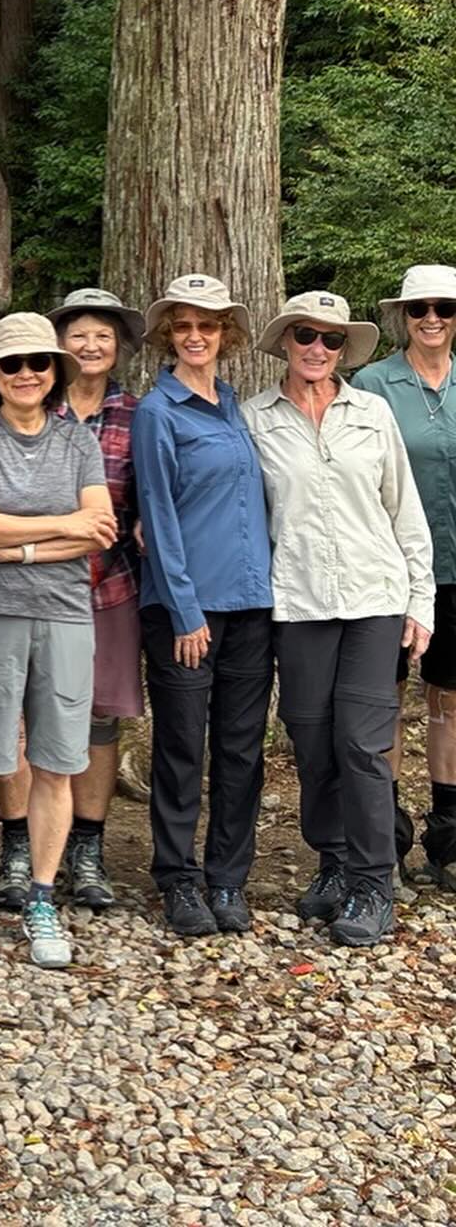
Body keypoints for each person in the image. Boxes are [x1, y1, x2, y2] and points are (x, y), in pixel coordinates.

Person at [244, 291, 433, 946]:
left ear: (343, 349)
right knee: (311, 739)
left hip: (374, 599)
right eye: (306, 335)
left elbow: (404, 508)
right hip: (298, 602)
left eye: (330, 339)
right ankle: (333, 862)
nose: (317, 349)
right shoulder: (255, 419)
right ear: (285, 342)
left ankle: (374, 885)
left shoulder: (372, 413)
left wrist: (421, 600)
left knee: (361, 742)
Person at [0, 314, 114, 971]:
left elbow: (101, 529)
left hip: (66, 615)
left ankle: (42, 897)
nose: (26, 374)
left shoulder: (78, 442)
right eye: (12, 364)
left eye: (39, 362)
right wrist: (64, 528)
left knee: (57, 763)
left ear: (55, 371)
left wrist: (22, 545)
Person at [131, 274, 274, 938]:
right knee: (183, 746)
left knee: (242, 750)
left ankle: (227, 877)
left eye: (207, 326)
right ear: (169, 335)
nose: (195, 336)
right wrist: (185, 610)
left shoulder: (234, 406)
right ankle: (177, 877)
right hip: (186, 611)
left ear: (226, 335)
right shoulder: (159, 412)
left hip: (250, 605)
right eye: (183, 326)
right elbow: (157, 514)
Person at [352, 264, 456, 887]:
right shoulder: (373, 384)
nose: (432, 319)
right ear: (402, 316)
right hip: (388, 569)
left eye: (444, 308)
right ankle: (385, 835)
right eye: (419, 309)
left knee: (449, 699)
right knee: (385, 698)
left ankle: (449, 836)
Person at [47, 287, 148, 909]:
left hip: (110, 587)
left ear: (118, 347)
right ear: (60, 344)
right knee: (31, 716)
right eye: (78, 334)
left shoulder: (138, 415)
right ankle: (29, 845)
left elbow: (150, 495)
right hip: (32, 586)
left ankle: (87, 848)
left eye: (102, 336)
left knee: (99, 719)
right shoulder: (34, 403)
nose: (90, 345)